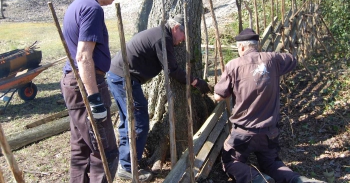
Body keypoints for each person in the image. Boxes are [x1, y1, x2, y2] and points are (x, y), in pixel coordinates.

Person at [107, 14, 211, 182]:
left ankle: (126, 161)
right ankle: (127, 167)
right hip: (123, 78)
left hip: (118, 75)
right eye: (184, 35)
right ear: (176, 28)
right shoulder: (161, 39)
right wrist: (195, 81)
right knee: (138, 121)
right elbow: (172, 69)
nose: (184, 41)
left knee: (129, 119)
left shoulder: (161, 35)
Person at [214, 28, 325, 183]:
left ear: (242, 47)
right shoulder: (272, 60)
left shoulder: (234, 65)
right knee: (271, 163)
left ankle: (258, 179)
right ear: (256, 45)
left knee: (231, 160)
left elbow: (219, 96)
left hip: (244, 133)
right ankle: (299, 180)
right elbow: (292, 59)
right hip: (269, 132)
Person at [60, 0, 126, 183]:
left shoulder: (78, 4)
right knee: (105, 152)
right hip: (86, 85)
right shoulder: (92, 9)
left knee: (81, 151)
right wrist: (95, 98)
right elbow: (83, 56)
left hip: (74, 83)